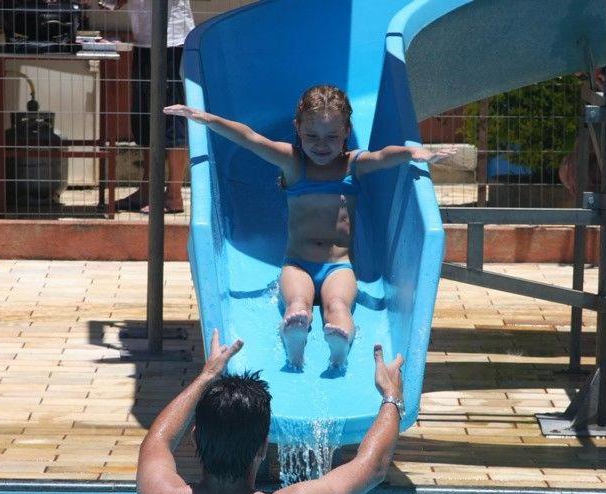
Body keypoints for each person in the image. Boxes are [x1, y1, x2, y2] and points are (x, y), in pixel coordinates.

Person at [165, 85, 454, 368]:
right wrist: (206, 118)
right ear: (297, 129)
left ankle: (339, 350)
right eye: (312, 136)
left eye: (332, 136)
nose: (321, 145)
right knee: (297, 306)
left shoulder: (353, 165)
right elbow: (250, 138)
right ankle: (295, 347)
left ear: (346, 133)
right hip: (297, 265)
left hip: (339, 266)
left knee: (338, 305)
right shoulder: (293, 163)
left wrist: (413, 153)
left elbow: (382, 156)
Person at [137, 328, 405, 494]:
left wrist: (207, 375)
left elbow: (157, 441)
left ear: (195, 438)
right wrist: (391, 396)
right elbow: (372, 466)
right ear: (263, 447)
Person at [108, 0, 193, 213]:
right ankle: (148, 190)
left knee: (174, 118)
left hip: (173, 41)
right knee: (144, 117)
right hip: (145, 40)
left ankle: (174, 194)